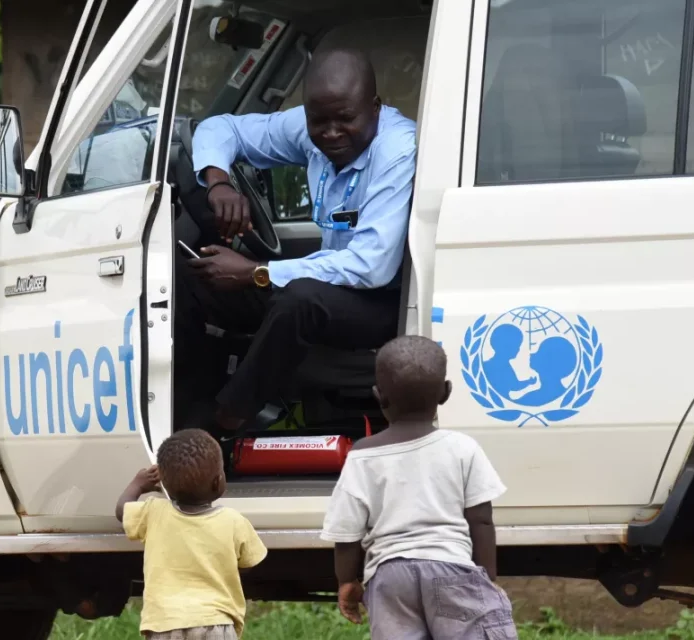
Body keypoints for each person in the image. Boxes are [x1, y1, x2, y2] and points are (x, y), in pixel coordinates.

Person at [178, 47, 418, 431]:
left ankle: (228, 417)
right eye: (318, 120)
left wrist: (255, 272)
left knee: (300, 300)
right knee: (193, 278)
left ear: (375, 107)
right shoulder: (316, 125)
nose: (331, 132)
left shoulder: (397, 149)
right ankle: (187, 405)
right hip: (334, 285)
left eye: (345, 119)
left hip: (387, 299)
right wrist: (218, 183)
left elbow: (369, 266)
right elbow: (221, 127)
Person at [321, 335, 518, 639]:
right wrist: (486, 578)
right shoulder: (462, 447)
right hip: (452, 568)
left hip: (389, 578)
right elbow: (481, 520)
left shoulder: (361, 456)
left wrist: (347, 582)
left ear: (378, 396)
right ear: (446, 392)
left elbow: (347, 535)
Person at [116, 429, 268, 639]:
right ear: (218, 482)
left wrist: (139, 484)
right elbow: (251, 563)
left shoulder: (153, 512)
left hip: (165, 624)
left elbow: (122, 511)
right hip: (215, 622)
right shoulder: (234, 521)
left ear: (165, 485)